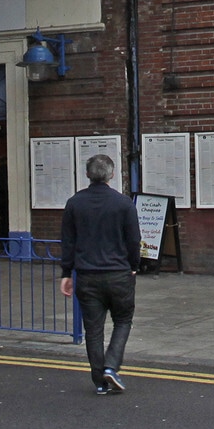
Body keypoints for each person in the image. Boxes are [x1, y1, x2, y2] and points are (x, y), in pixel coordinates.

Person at [60, 153, 141, 395]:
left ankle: (100, 382)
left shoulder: (74, 203)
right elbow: (134, 240)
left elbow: (68, 242)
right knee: (123, 320)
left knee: (93, 330)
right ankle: (111, 366)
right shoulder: (124, 203)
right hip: (119, 274)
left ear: (87, 174)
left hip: (87, 276)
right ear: (112, 174)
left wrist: (66, 272)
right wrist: (134, 265)